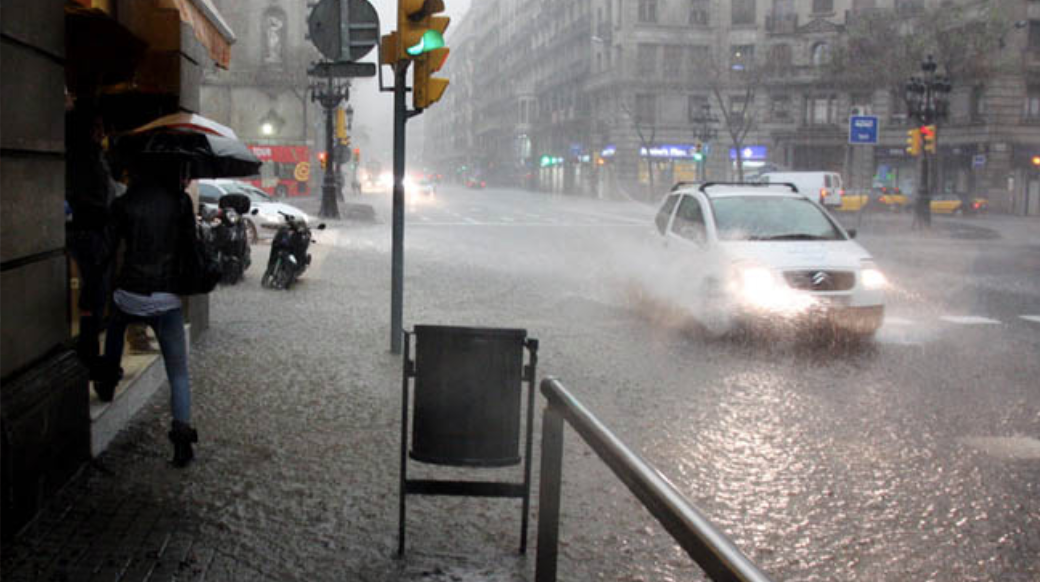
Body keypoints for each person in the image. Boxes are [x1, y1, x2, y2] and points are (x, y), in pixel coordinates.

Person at [99, 161, 199, 467]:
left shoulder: (124, 203)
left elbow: (108, 250)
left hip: (129, 292)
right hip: (166, 297)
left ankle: (107, 378)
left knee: (116, 328)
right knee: (178, 373)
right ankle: (182, 442)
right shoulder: (180, 202)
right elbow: (190, 249)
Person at [66, 104, 116, 386]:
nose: (101, 132)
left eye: (102, 127)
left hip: (96, 233)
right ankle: (88, 356)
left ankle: (90, 353)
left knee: (95, 299)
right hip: (89, 234)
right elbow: (87, 198)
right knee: (92, 298)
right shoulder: (82, 159)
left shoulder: (96, 157)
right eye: (96, 127)